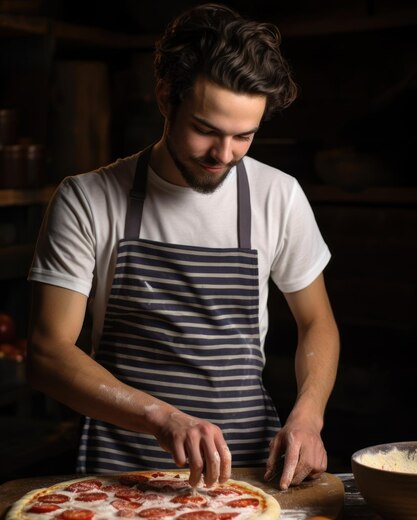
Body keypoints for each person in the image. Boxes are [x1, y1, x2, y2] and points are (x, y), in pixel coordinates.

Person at [26, 3, 339, 491]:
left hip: (250, 470)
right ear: (165, 97)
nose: (223, 154)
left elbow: (316, 321)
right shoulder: (87, 199)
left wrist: (309, 416)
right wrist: (161, 417)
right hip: (121, 474)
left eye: (244, 136)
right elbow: (47, 353)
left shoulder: (278, 196)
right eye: (206, 130)